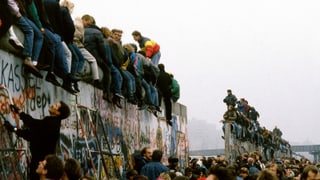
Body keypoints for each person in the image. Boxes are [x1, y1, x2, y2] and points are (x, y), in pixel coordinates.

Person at [4, 101, 71, 180]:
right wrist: (20, 113)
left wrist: (15, 129)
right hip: (41, 161)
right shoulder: (53, 122)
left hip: (40, 162)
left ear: (58, 113)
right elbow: (34, 126)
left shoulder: (51, 124)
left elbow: (33, 130)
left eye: (56, 106)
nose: (53, 105)